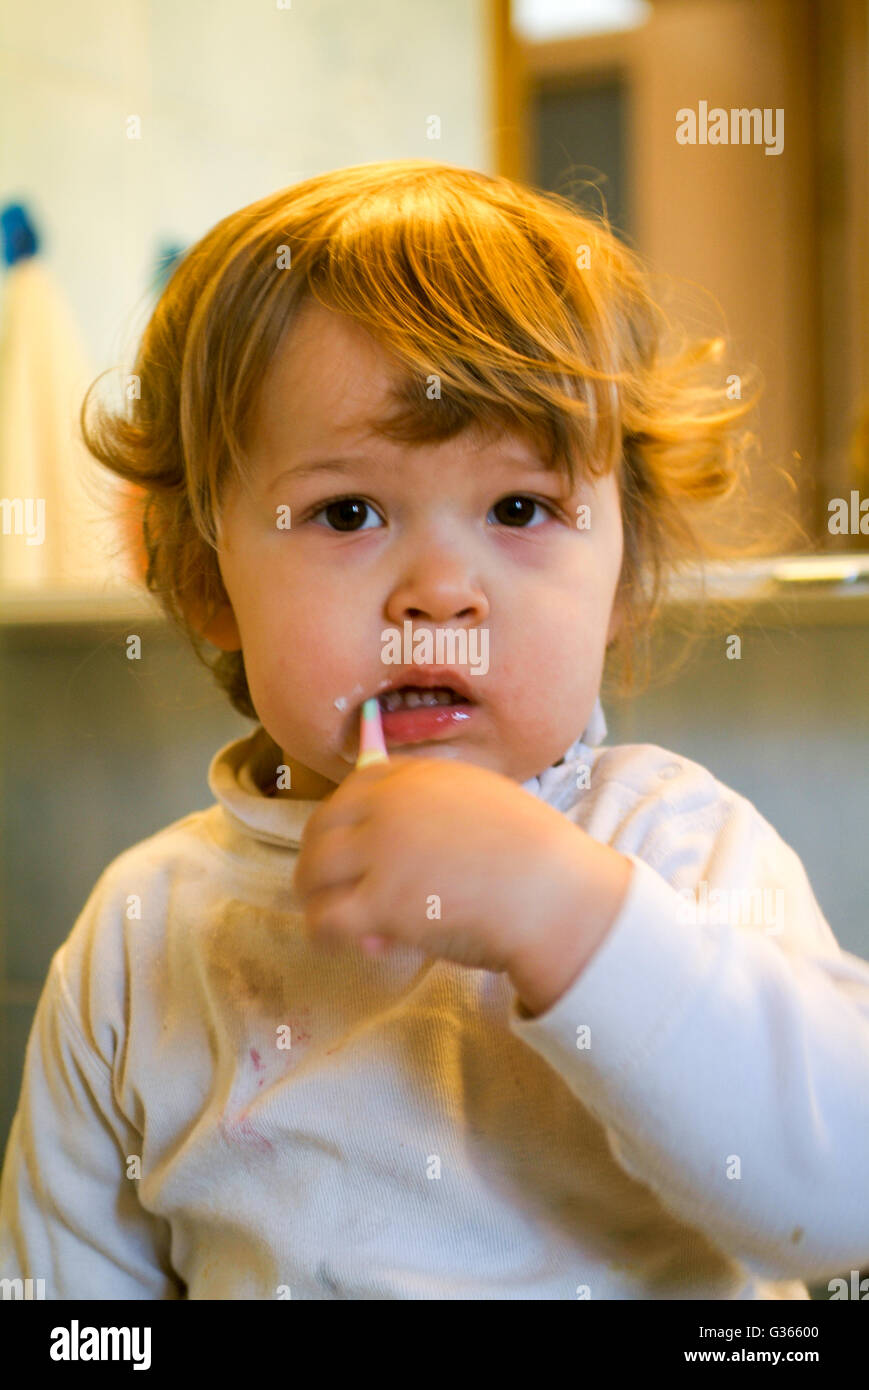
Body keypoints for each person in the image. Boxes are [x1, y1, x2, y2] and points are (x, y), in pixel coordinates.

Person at [2, 160, 868, 1300]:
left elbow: (837, 1198)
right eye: (346, 512)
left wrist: (561, 912)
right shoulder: (141, 933)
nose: (440, 592)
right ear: (209, 579)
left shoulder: (675, 848)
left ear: (621, 582)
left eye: (519, 508)